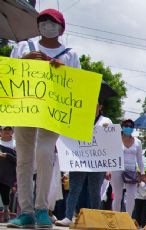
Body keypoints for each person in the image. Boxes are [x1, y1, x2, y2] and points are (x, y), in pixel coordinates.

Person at [8, 9, 81, 228]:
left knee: (44, 153)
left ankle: (41, 208)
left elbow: (76, 85)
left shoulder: (70, 55)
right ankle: (26, 211)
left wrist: (62, 71)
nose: (47, 25)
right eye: (43, 21)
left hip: (52, 113)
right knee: (23, 159)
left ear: (61, 28)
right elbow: (10, 74)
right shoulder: (23, 47)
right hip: (24, 108)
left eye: (52, 22)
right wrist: (25, 61)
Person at [55, 103, 113, 226]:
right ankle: (68, 217)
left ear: (101, 106)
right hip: (79, 161)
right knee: (74, 189)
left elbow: (110, 144)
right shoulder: (78, 120)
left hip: (98, 162)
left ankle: (96, 218)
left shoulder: (106, 121)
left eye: (96, 104)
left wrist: (108, 168)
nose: (92, 106)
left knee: (94, 191)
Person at [110, 119, 144, 217]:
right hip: (117, 169)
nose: (128, 128)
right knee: (117, 196)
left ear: (133, 128)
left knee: (131, 196)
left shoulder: (138, 142)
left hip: (131, 171)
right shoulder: (115, 139)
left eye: (130, 126)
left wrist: (142, 173)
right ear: (122, 127)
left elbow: (140, 159)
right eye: (126, 125)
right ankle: (115, 217)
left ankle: (128, 218)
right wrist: (108, 170)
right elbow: (110, 155)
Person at [0, 127, 16, 223]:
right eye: (4, 129)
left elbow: (18, 160)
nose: (6, 131)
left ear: (12, 132)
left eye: (8, 129)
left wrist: (7, 155)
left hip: (8, 174)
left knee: (5, 194)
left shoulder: (15, 144)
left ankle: (6, 210)